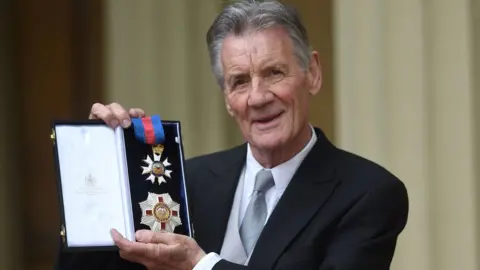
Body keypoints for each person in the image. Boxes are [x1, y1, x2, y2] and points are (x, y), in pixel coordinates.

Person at [56, 0, 409, 269]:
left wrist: (201, 266)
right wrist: (101, 166)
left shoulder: (368, 194)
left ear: (312, 73)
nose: (257, 97)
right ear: (227, 98)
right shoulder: (187, 182)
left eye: (274, 73)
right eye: (240, 81)